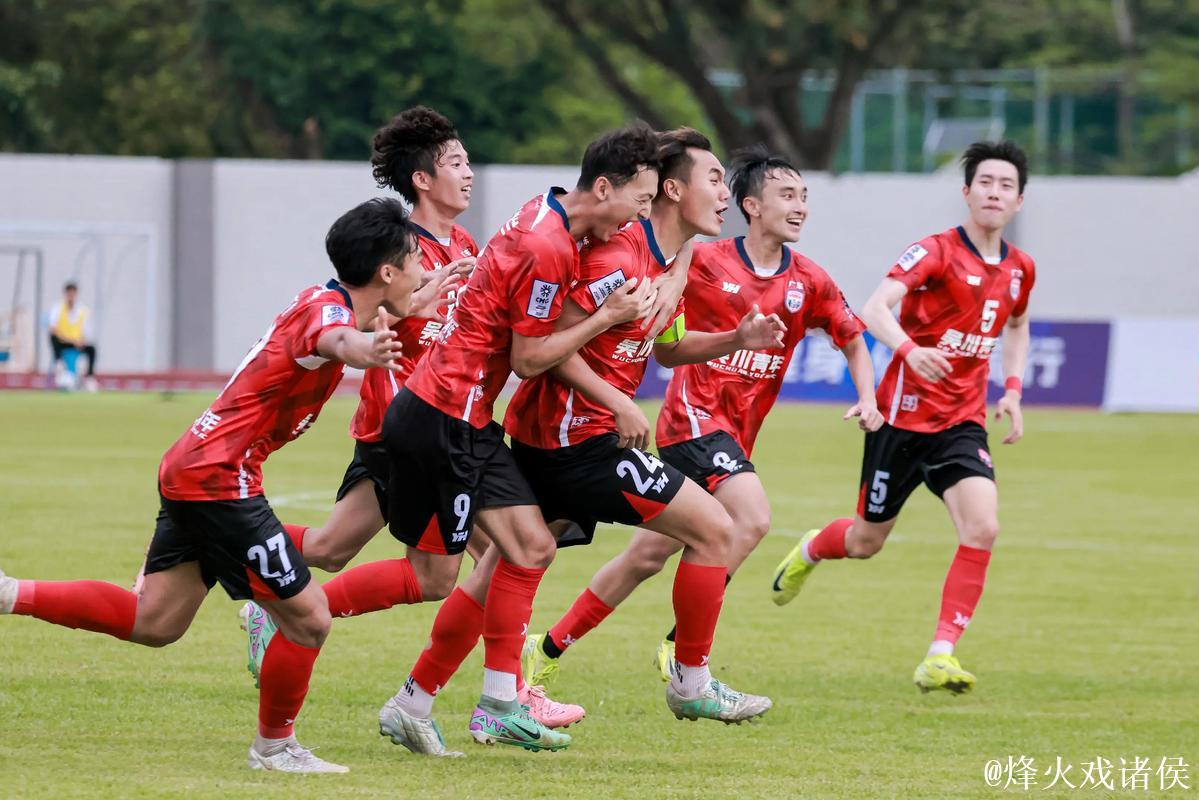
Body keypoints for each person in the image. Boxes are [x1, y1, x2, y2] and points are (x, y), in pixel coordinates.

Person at [1, 198, 434, 773]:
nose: (424, 270)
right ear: (386, 272)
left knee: (156, 622)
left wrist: (413, 309)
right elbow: (338, 341)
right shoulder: (328, 319)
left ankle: (8, 593)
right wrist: (367, 352)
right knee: (309, 618)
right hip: (218, 478)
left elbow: (348, 328)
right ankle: (275, 748)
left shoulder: (325, 299)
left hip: (197, 465)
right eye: (416, 261)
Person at [522, 144, 880, 687]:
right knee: (752, 517)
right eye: (787, 194)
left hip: (735, 435)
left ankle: (544, 649)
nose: (801, 205)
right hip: (693, 419)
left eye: (805, 195)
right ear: (751, 205)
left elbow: (854, 338)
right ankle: (685, 652)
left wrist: (869, 396)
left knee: (647, 556)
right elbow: (666, 264)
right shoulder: (709, 258)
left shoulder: (809, 279)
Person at [376, 123, 663, 754]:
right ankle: (283, 600)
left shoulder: (546, 208)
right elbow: (531, 358)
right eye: (638, 203)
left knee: (502, 555)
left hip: (456, 415)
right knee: (462, 566)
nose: (637, 219)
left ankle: (428, 702)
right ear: (605, 187)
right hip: (445, 415)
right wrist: (607, 319)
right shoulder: (549, 246)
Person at [508, 129, 783, 724]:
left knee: (482, 572)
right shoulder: (618, 256)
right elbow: (551, 343)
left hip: (574, 436)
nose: (724, 196)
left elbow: (670, 349)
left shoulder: (663, 258)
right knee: (716, 528)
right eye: (714, 181)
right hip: (572, 439)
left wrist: (737, 338)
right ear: (672, 189)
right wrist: (619, 402)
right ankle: (691, 681)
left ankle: (422, 696)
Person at [771, 140, 1036, 695]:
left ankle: (940, 654)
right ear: (967, 193)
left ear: (1018, 200)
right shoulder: (936, 251)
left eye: (1005, 185)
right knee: (867, 541)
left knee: (983, 526)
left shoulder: (1019, 269)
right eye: (984, 182)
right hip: (900, 419)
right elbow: (873, 308)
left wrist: (1011, 389)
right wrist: (911, 350)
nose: (994, 192)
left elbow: (1015, 326)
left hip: (961, 423)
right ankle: (815, 547)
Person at [48, 281, 98, 390]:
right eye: (69, 294)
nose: (71, 296)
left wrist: (81, 341)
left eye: (73, 293)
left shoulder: (82, 310)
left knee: (92, 349)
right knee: (53, 338)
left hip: (77, 343)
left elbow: (86, 331)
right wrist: (70, 340)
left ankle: (89, 377)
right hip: (63, 342)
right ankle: (59, 364)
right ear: (65, 294)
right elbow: (53, 329)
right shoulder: (57, 308)